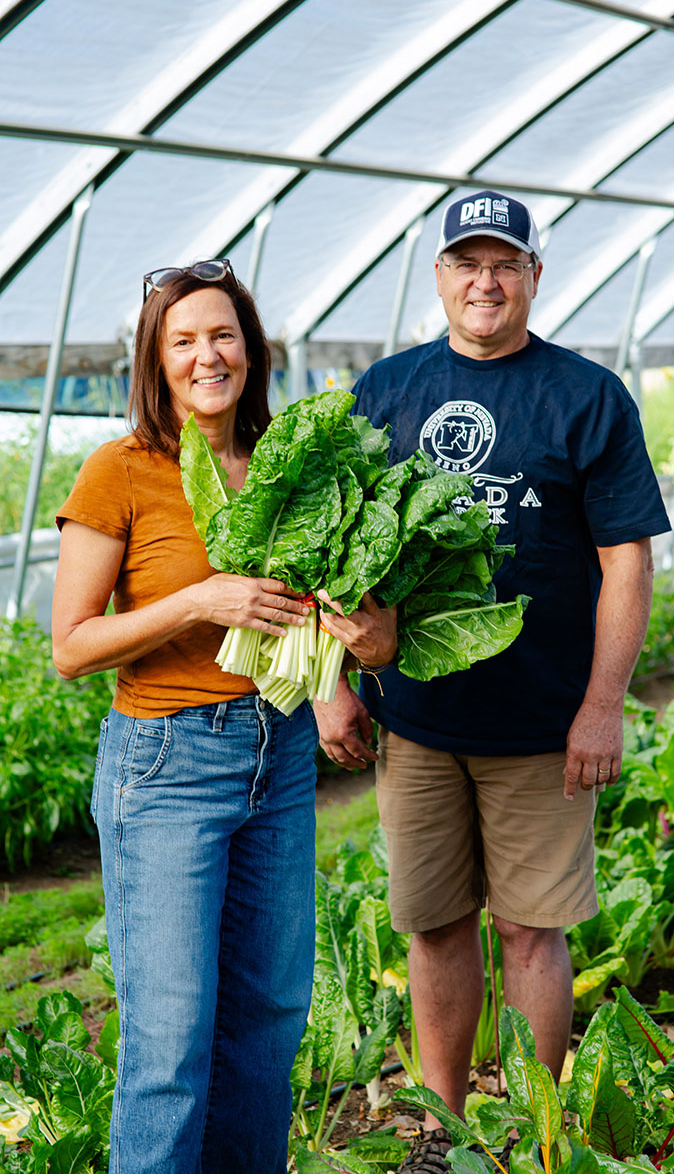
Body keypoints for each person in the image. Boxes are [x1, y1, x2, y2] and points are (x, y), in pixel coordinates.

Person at [313, 190, 671, 1169]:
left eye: (503, 263)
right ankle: (442, 1127)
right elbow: (331, 550)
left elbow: (624, 564)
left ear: (532, 278)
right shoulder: (382, 392)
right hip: (417, 719)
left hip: (543, 725)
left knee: (528, 929)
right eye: (465, 262)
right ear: (436, 276)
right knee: (432, 926)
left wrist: (601, 707)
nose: (484, 281)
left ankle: (534, 1129)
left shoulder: (584, 397)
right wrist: (328, 683)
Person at [51, 259, 395, 1174]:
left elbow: (335, 607)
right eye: (185, 341)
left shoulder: (297, 461)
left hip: (277, 759)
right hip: (166, 765)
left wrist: (342, 670)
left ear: (253, 349)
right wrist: (197, 602)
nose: (209, 356)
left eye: (224, 335)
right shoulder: (121, 470)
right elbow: (73, 645)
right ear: (155, 362)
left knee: (270, 1018)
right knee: (169, 1040)